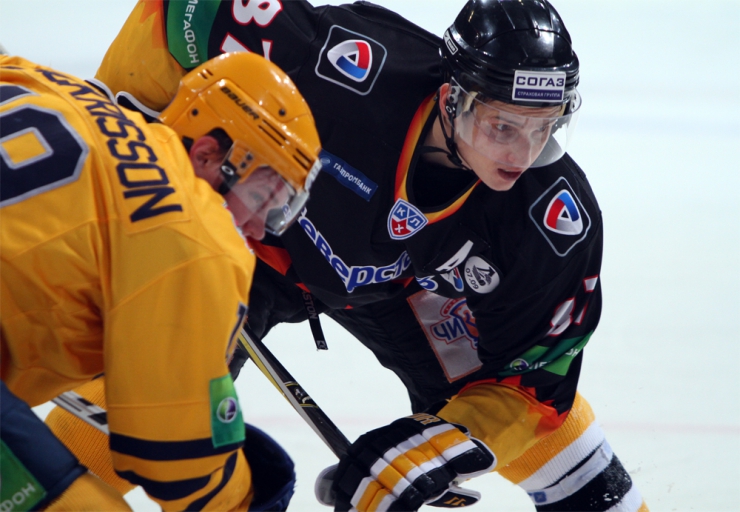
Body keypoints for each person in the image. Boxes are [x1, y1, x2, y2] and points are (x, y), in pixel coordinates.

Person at [43, 1, 650, 510]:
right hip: (258, 237)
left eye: (545, 127)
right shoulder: (346, 68)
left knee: (519, 419)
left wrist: (438, 446)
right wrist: (138, 150)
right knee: (144, 397)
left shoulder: (550, 217)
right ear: (451, 100)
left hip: (401, 280)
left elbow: (531, 383)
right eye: (503, 127)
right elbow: (185, 13)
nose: (524, 154)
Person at [0, 50, 321, 511]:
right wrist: (252, 495)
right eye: (261, 198)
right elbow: (179, 458)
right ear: (206, 153)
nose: (258, 229)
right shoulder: (199, 232)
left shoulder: (51, 84)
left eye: (278, 212)